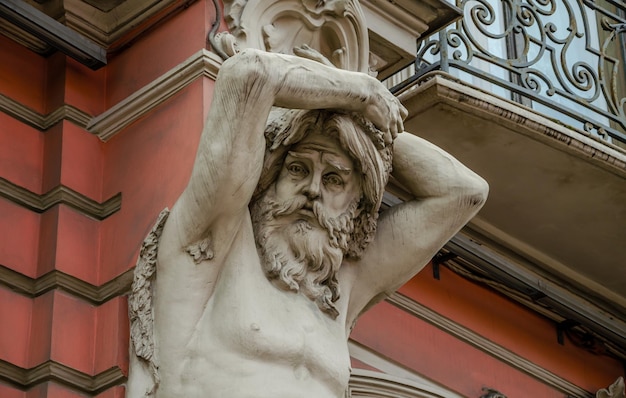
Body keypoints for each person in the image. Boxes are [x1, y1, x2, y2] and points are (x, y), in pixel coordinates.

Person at [127, 47, 489, 398]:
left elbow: (464, 194)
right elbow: (247, 74)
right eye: (298, 169)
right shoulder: (213, 242)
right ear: (270, 177)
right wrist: (356, 93)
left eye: (334, 179)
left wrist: (356, 117)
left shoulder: (343, 287)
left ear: (357, 205)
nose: (313, 190)